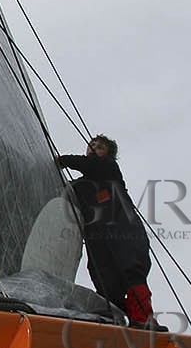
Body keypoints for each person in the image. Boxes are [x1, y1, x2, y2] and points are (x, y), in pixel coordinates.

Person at [56, 135, 157, 328]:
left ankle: (143, 318)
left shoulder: (108, 168)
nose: (93, 148)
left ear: (108, 154)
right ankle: (113, 319)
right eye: (91, 145)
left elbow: (91, 165)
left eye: (99, 147)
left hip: (121, 226)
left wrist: (62, 160)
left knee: (130, 266)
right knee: (103, 277)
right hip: (97, 235)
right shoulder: (78, 186)